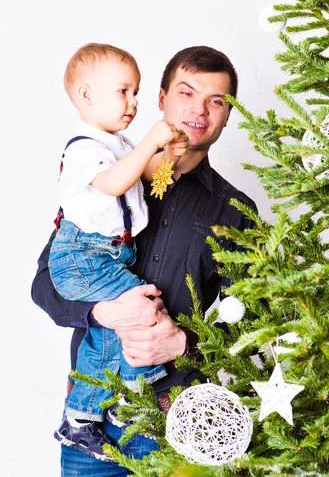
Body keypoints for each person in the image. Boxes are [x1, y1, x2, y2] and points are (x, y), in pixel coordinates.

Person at [32, 45, 257, 476]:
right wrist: (103, 312)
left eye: (217, 101)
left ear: (228, 116)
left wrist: (187, 344)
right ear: (160, 100)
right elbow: (46, 283)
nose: (200, 110)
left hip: (181, 426)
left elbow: (251, 324)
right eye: (187, 93)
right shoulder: (108, 181)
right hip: (95, 429)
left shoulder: (236, 213)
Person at [47, 43, 188, 461]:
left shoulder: (116, 143)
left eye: (136, 92)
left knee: (127, 317)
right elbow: (113, 183)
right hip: (84, 253)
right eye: (123, 91)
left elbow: (141, 174)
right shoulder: (84, 148)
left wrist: (167, 157)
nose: (134, 102)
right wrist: (150, 141)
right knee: (140, 310)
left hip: (108, 254)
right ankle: (87, 414)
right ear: (87, 95)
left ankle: (114, 402)